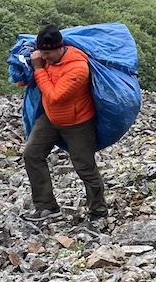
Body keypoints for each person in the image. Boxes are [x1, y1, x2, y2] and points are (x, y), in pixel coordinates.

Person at [23, 24, 108, 224]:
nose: (45, 58)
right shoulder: (46, 58)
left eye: (48, 53)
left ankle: (98, 211)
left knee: (85, 167)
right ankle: (46, 207)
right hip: (50, 119)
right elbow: (32, 83)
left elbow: (55, 96)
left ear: (60, 48)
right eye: (41, 53)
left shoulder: (78, 67)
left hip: (77, 122)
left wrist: (37, 69)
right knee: (31, 155)